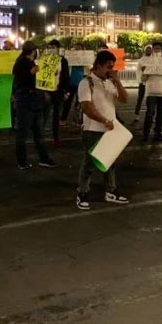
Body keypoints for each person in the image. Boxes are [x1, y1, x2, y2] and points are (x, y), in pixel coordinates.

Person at [76, 50, 129, 209]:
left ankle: (110, 191)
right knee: (89, 164)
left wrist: (117, 82)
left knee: (110, 162)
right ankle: (82, 193)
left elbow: (124, 99)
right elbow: (86, 107)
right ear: (98, 66)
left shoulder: (109, 82)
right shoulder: (86, 83)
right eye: (108, 67)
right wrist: (104, 120)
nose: (111, 70)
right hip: (93, 130)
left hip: (109, 130)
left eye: (112, 67)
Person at [12, 41, 56, 169]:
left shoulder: (28, 62)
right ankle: (22, 162)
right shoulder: (21, 63)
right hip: (26, 102)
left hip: (34, 101)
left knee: (38, 133)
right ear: (33, 51)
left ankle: (43, 158)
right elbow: (20, 80)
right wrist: (33, 72)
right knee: (23, 134)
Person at [140, 41, 162, 142]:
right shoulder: (146, 61)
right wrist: (144, 72)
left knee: (161, 114)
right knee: (150, 113)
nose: (157, 50)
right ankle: (146, 133)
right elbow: (142, 79)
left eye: (158, 48)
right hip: (151, 92)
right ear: (152, 49)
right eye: (155, 48)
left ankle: (158, 133)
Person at [43, 39, 70, 147]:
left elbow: (66, 76)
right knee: (43, 115)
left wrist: (66, 91)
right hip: (46, 92)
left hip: (58, 91)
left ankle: (56, 137)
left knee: (56, 115)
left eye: (53, 47)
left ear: (58, 49)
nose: (51, 50)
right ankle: (39, 136)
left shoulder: (63, 61)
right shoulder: (44, 59)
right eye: (49, 47)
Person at [61, 42, 86, 125]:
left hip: (81, 83)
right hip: (71, 82)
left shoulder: (85, 58)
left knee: (79, 103)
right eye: (75, 48)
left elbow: (89, 68)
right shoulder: (69, 57)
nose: (77, 50)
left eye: (79, 48)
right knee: (67, 102)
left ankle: (77, 120)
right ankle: (63, 119)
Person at [133, 44, 152, 123]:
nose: (148, 51)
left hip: (151, 83)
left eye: (150, 49)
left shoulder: (154, 59)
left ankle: (151, 116)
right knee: (139, 100)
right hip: (143, 83)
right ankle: (136, 115)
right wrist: (140, 81)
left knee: (150, 101)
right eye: (147, 49)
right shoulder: (141, 60)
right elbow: (138, 71)